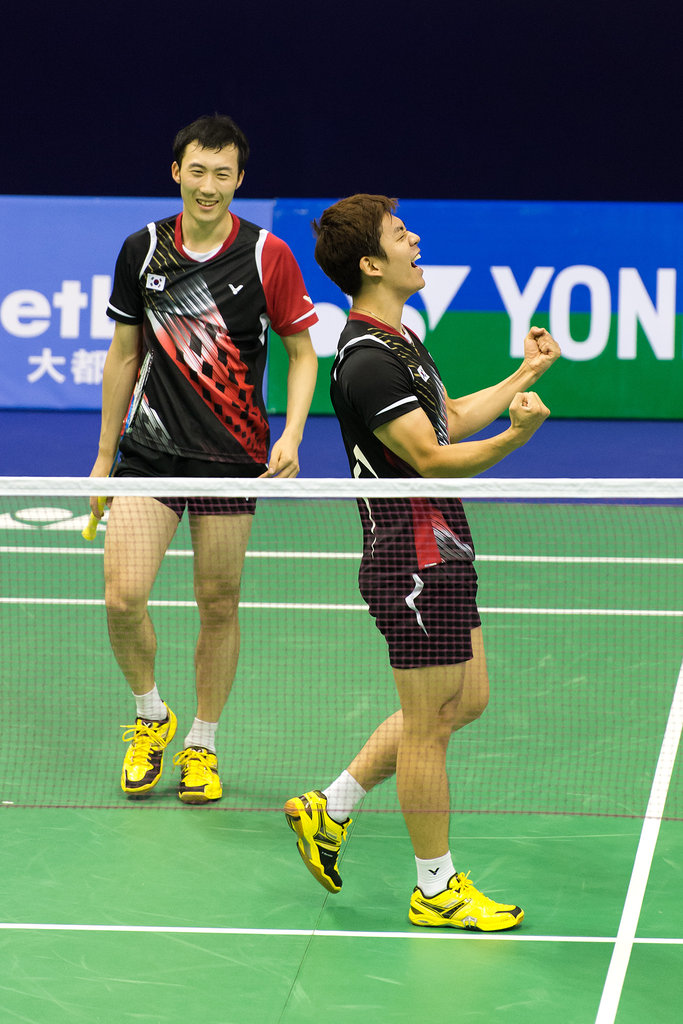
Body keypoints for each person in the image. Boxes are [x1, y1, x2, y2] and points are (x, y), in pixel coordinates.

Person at [284, 194, 560, 931]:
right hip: (410, 561)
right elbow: (432, 458)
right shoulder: (367, 361)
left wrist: (522, 377)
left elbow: (448, 418)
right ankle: (434, 887)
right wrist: (516, 439)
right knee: (428, 725)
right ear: (371, 264)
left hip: (442, 546)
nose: (415, 240)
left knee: (464, 701)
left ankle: (329, 807)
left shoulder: (400, 339)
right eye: (400, 234)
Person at [90, 114, 318, 804]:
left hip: (232, 457)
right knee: (122, 596)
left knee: (218, 603)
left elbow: (302, 353)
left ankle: (202, 743)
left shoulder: (267, 255)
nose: (209, 185)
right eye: (197, 170)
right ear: (176, 172)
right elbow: (123, 355)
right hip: (150, 452)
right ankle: (151, 716)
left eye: (223, 173)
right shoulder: (143, 249)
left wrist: (292, 434)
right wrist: (101, 459)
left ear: (239, 179)